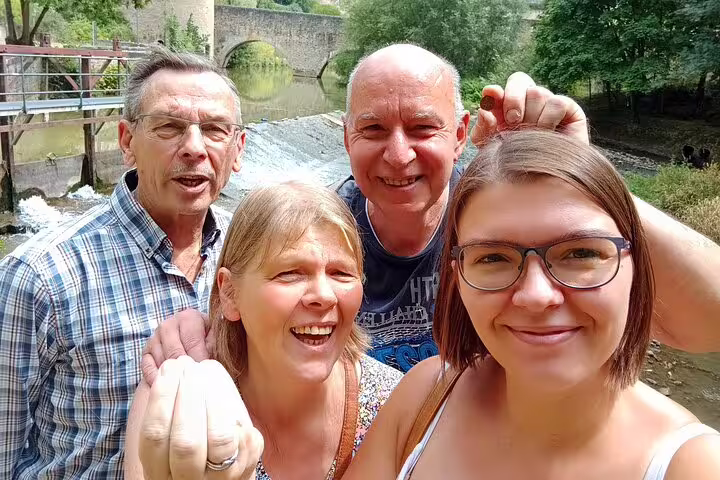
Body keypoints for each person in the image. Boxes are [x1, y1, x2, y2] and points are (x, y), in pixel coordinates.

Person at [144, 43, 720, 376]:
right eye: (373, 129)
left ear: (461, 133)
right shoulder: (315, 238)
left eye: (422, 127)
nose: (399, 155)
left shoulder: (501, 228)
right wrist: (193, 333)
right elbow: (235, 323)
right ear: (346, 138)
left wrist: (581, 177)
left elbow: (706, 322)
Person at [342, 129, 720, 480]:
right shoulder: (424, 395)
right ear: (456, 278)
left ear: (636, 265)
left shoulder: (692, 466)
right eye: (493, 258)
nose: (537, 296)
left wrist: (583, 169)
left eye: (581, 252)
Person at [0, 48, 245, 478]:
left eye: (215, 130)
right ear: (127, 142)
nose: (194, 148)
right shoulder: (39, 276)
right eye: (169, 127)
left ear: (238, 148)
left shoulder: (249, 257)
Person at [124, 182, 403, 480]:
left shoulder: (396, 404)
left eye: (341, 273)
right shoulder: (180, 396)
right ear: (230, 293)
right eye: (290, 273)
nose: (324, 294)